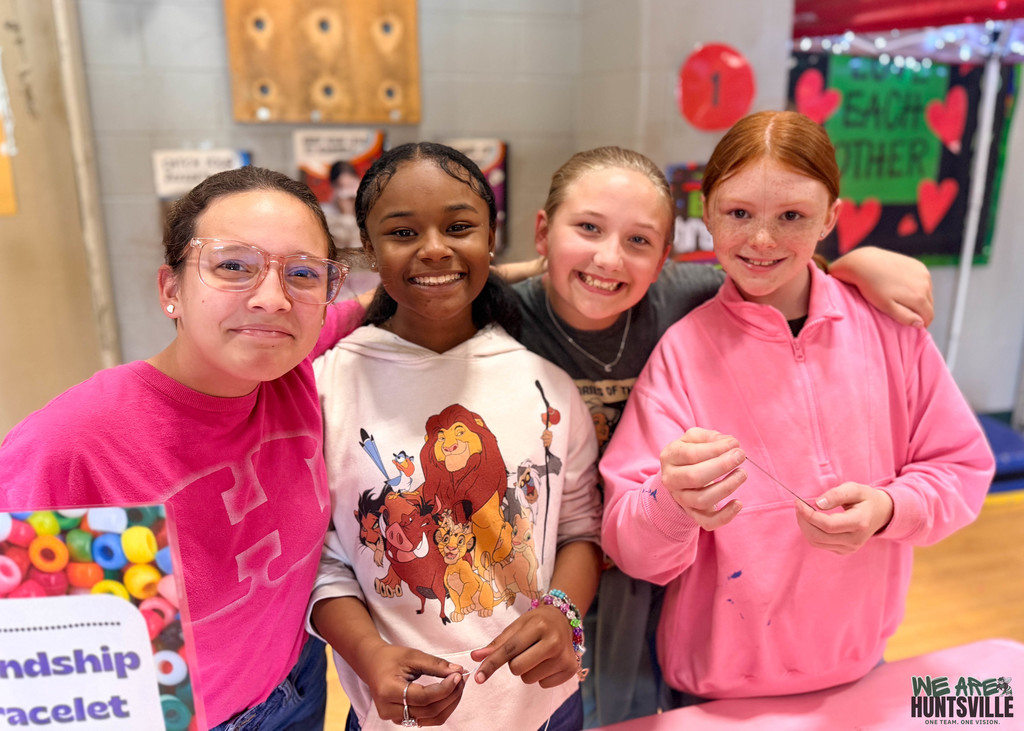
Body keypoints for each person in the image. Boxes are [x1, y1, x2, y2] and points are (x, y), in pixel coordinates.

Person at [510, 145, 937, 727]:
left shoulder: (681, 297)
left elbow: (774, 264)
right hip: (535, 568)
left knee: (632, 710)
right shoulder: (497, 315)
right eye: (587, 228)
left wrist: (855, 266)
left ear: (665, 258)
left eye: (638, 240)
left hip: (649, 577)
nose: (609, 258)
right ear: (542, 231)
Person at [599, 111, 995, 706]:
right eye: (739, 213)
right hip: (715, 692)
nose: (762, 240)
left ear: (830, 218)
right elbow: (629, 542)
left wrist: (890, 508)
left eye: (792, 216)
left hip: (859, 668)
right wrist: (672, 502)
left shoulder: (890, 331)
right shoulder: (682, 352)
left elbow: (961, 468)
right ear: (706, 213)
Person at [0, 166, 366, 730]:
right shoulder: (69, 447)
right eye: (233, 266)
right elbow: (32, 664)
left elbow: (401, 294)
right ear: (171, 290)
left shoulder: (290, 368)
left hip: (300, 680)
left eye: (302, 274)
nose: (273, 299)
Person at [308, 142, 603, 730]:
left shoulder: (546, 386)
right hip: (393, 715)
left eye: (459, 226)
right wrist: (370, 656)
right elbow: (319, 559)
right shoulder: (326, 388)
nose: (434, 248)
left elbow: (579, 529)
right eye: (402, 232)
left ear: (491, 236)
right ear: (368, 246)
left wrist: (562, 611)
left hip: (544, 710)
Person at [323, 159, 363, 249]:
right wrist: (347, 214)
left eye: (351, 185)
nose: (348, 192)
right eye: (342, 187)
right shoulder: (326, 214)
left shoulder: (368, 208)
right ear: (334, 188)